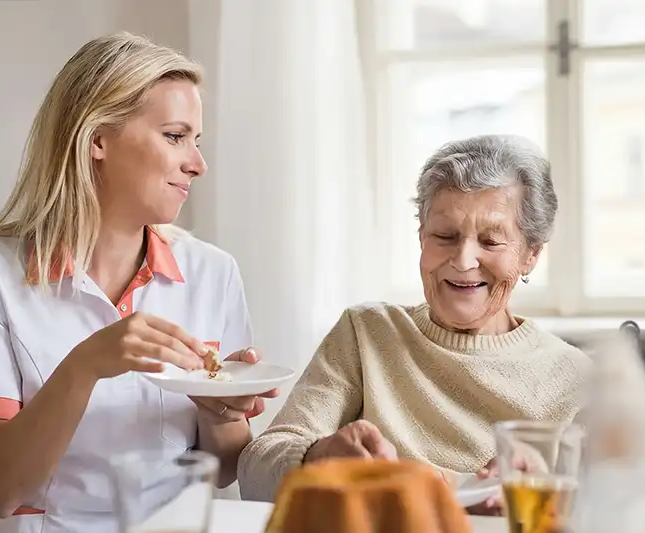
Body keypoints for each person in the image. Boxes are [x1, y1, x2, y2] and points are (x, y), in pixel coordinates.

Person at [0, 33, 276, 533]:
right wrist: (87, 364)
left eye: (196, 141)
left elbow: (224, 469)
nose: (198, 164)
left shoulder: (213, 272)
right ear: (97, 139)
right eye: (175, 136)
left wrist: (221, 411)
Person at [237, 134, 591, 514]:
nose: (463, 260)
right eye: (445, 236)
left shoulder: (575, 377)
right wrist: (318, 457)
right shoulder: (367, 332)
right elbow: (255, 472)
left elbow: (607, 509)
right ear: (422, 238)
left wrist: (544, 501)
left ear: (530, 254)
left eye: (490, 241)